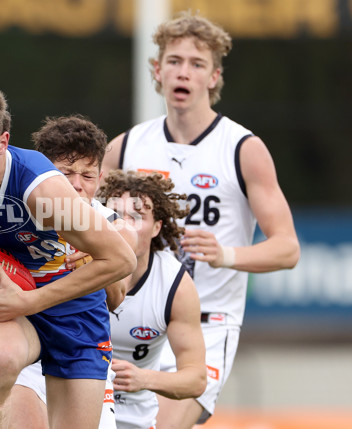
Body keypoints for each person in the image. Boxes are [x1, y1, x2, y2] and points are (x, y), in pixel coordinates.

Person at [101, 11, 301, 428]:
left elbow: (287, 248)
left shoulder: (241, 148)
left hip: (208, 321)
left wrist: (225, 254)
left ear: (214, 76)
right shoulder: (128, 146)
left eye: (197, 63)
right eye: (174, 60)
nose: (183, 72)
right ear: (157, 69)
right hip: (135, 317)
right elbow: (90, 225)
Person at [0, 85, 136, 429]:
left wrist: (29, 301)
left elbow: (123, 261)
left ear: (2, 142)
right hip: (5, 294)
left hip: (72, 312)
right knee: (2, 360)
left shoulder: (43, 191)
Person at [95, 169, 206, 429]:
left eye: (136, 216)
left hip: (135, 419)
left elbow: (196, 379)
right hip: (76, 404)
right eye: (115, 215)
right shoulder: (77, 262)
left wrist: (144, 379)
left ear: (157, 227)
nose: (123, 224)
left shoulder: (174, 284)